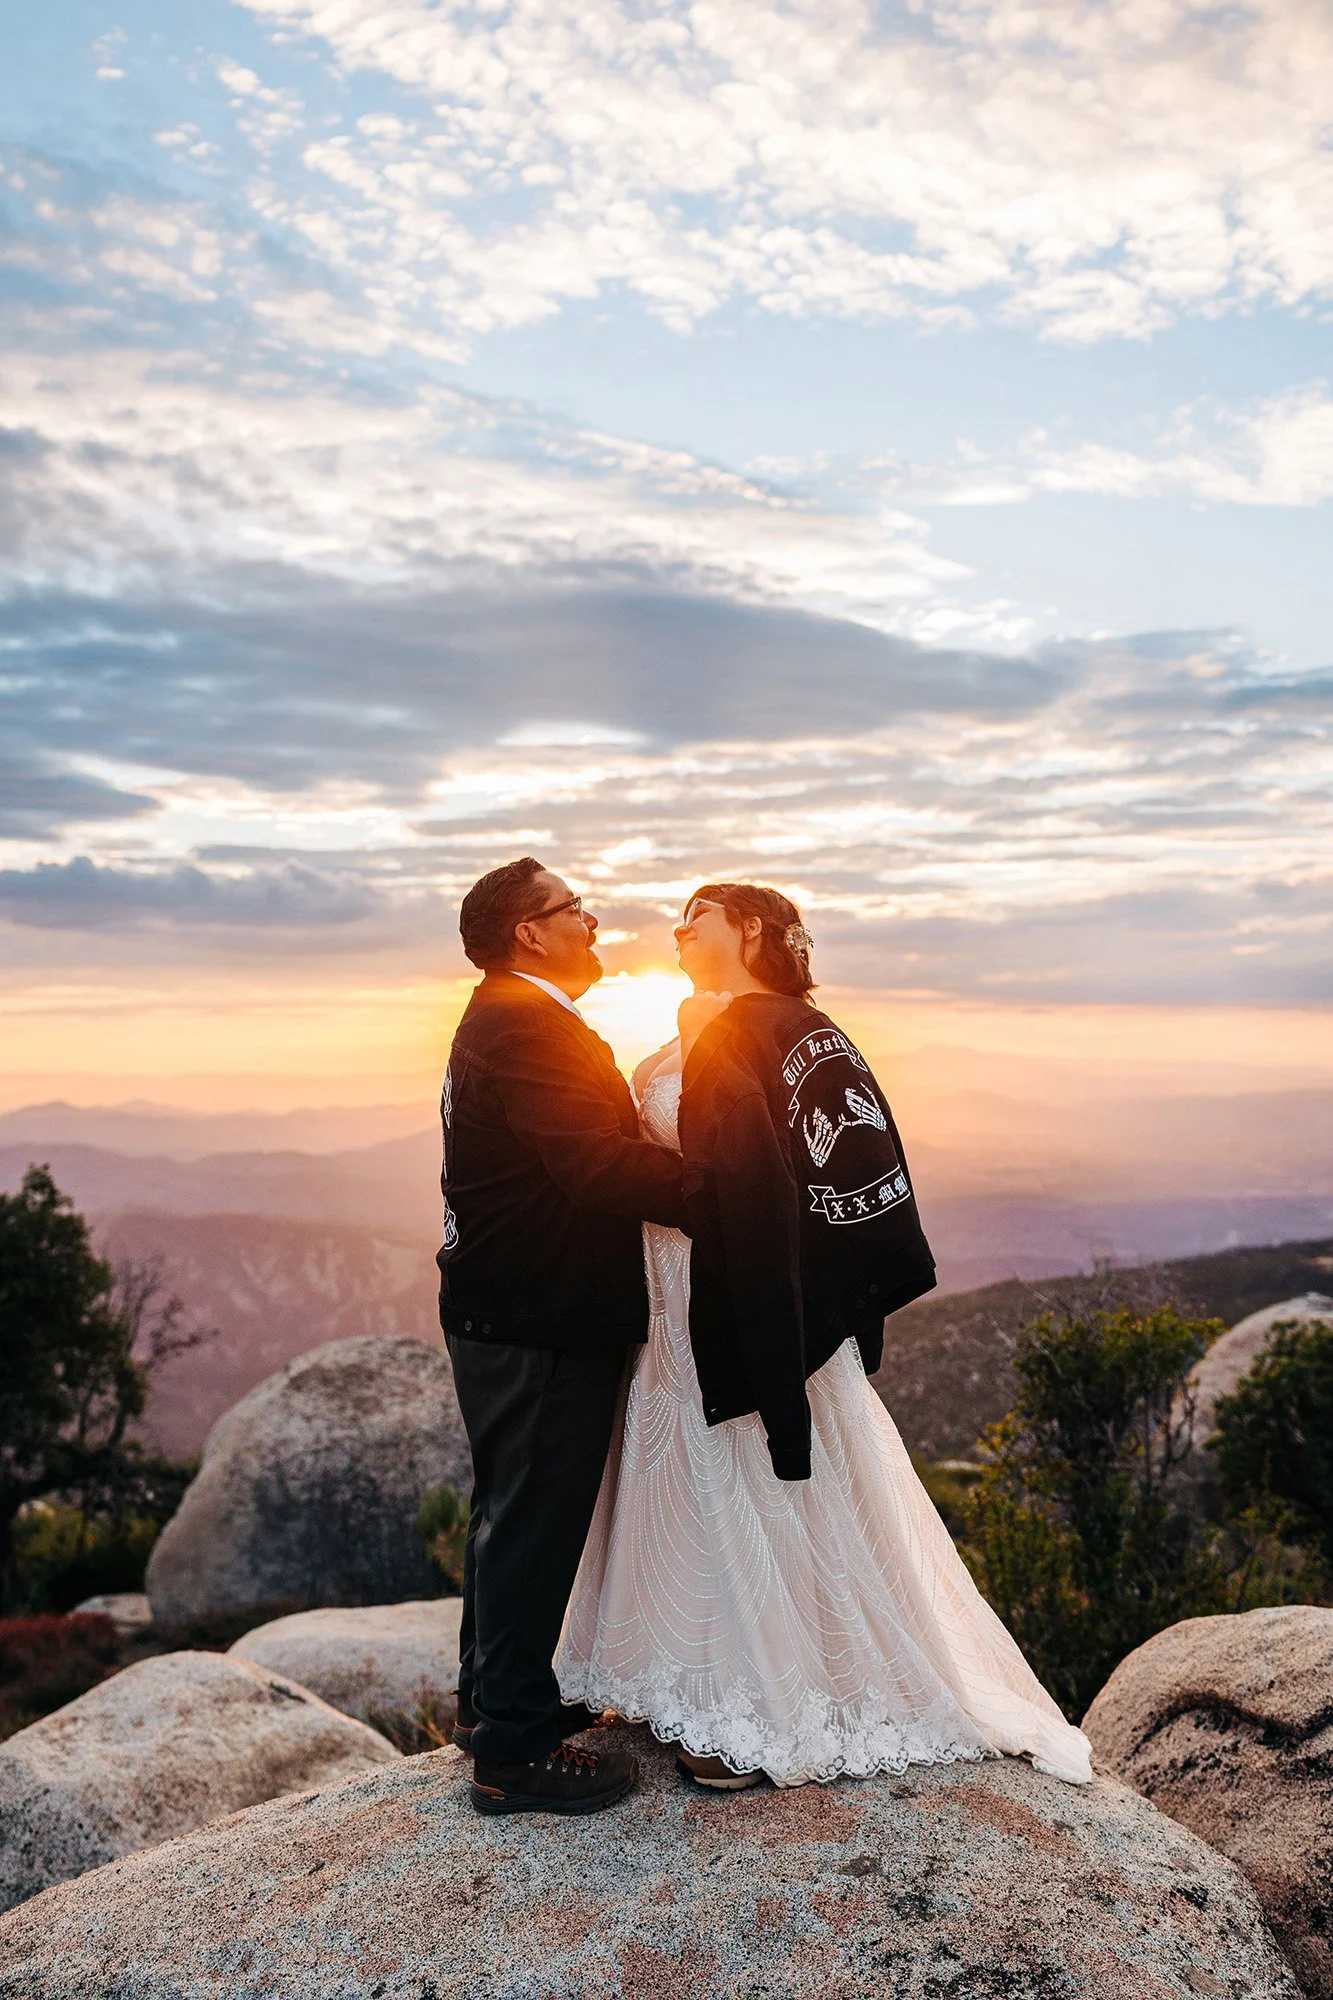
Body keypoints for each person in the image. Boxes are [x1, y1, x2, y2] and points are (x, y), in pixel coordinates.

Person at [557, 882, 1092, 1790]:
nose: (680, 930)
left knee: (746, 1462)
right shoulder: (698, 1024)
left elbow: (795, 1167)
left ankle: (763, 1700)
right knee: (680, 1465)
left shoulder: (788, 1032)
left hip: (742, 1286)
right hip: (665, 1296)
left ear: (753, 930)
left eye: (701, 917)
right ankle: (678, 1673)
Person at [438, 856, 687, 1815]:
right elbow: (597, 1168)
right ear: (527, 934)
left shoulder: (505, 1015)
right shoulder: (524, 1024)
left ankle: (489, 1707)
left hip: (507, 1308)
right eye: (572, 908)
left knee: (511, 1513)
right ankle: (512, 1752)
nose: (593, 922)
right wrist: (740, 1196)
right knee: (534, 1521)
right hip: (538, 1314)